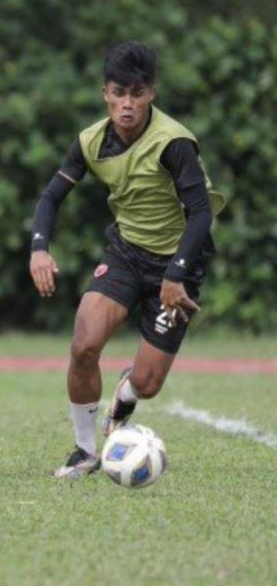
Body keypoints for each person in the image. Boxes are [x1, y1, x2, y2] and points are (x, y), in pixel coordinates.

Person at [29, 41, 225, 478]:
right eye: (119, 93)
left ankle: (126, 393)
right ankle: (84, 450)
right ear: (105, 93)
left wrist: (176, 276)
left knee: (149, 384)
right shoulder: (91, 141)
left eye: (137, 94)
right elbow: (51, 196)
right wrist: (39, 247)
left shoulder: (173, 143)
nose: (127, 104)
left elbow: (201, 214)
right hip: (125, 254)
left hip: (179, 263)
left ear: (151, 94)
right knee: (83, 346)